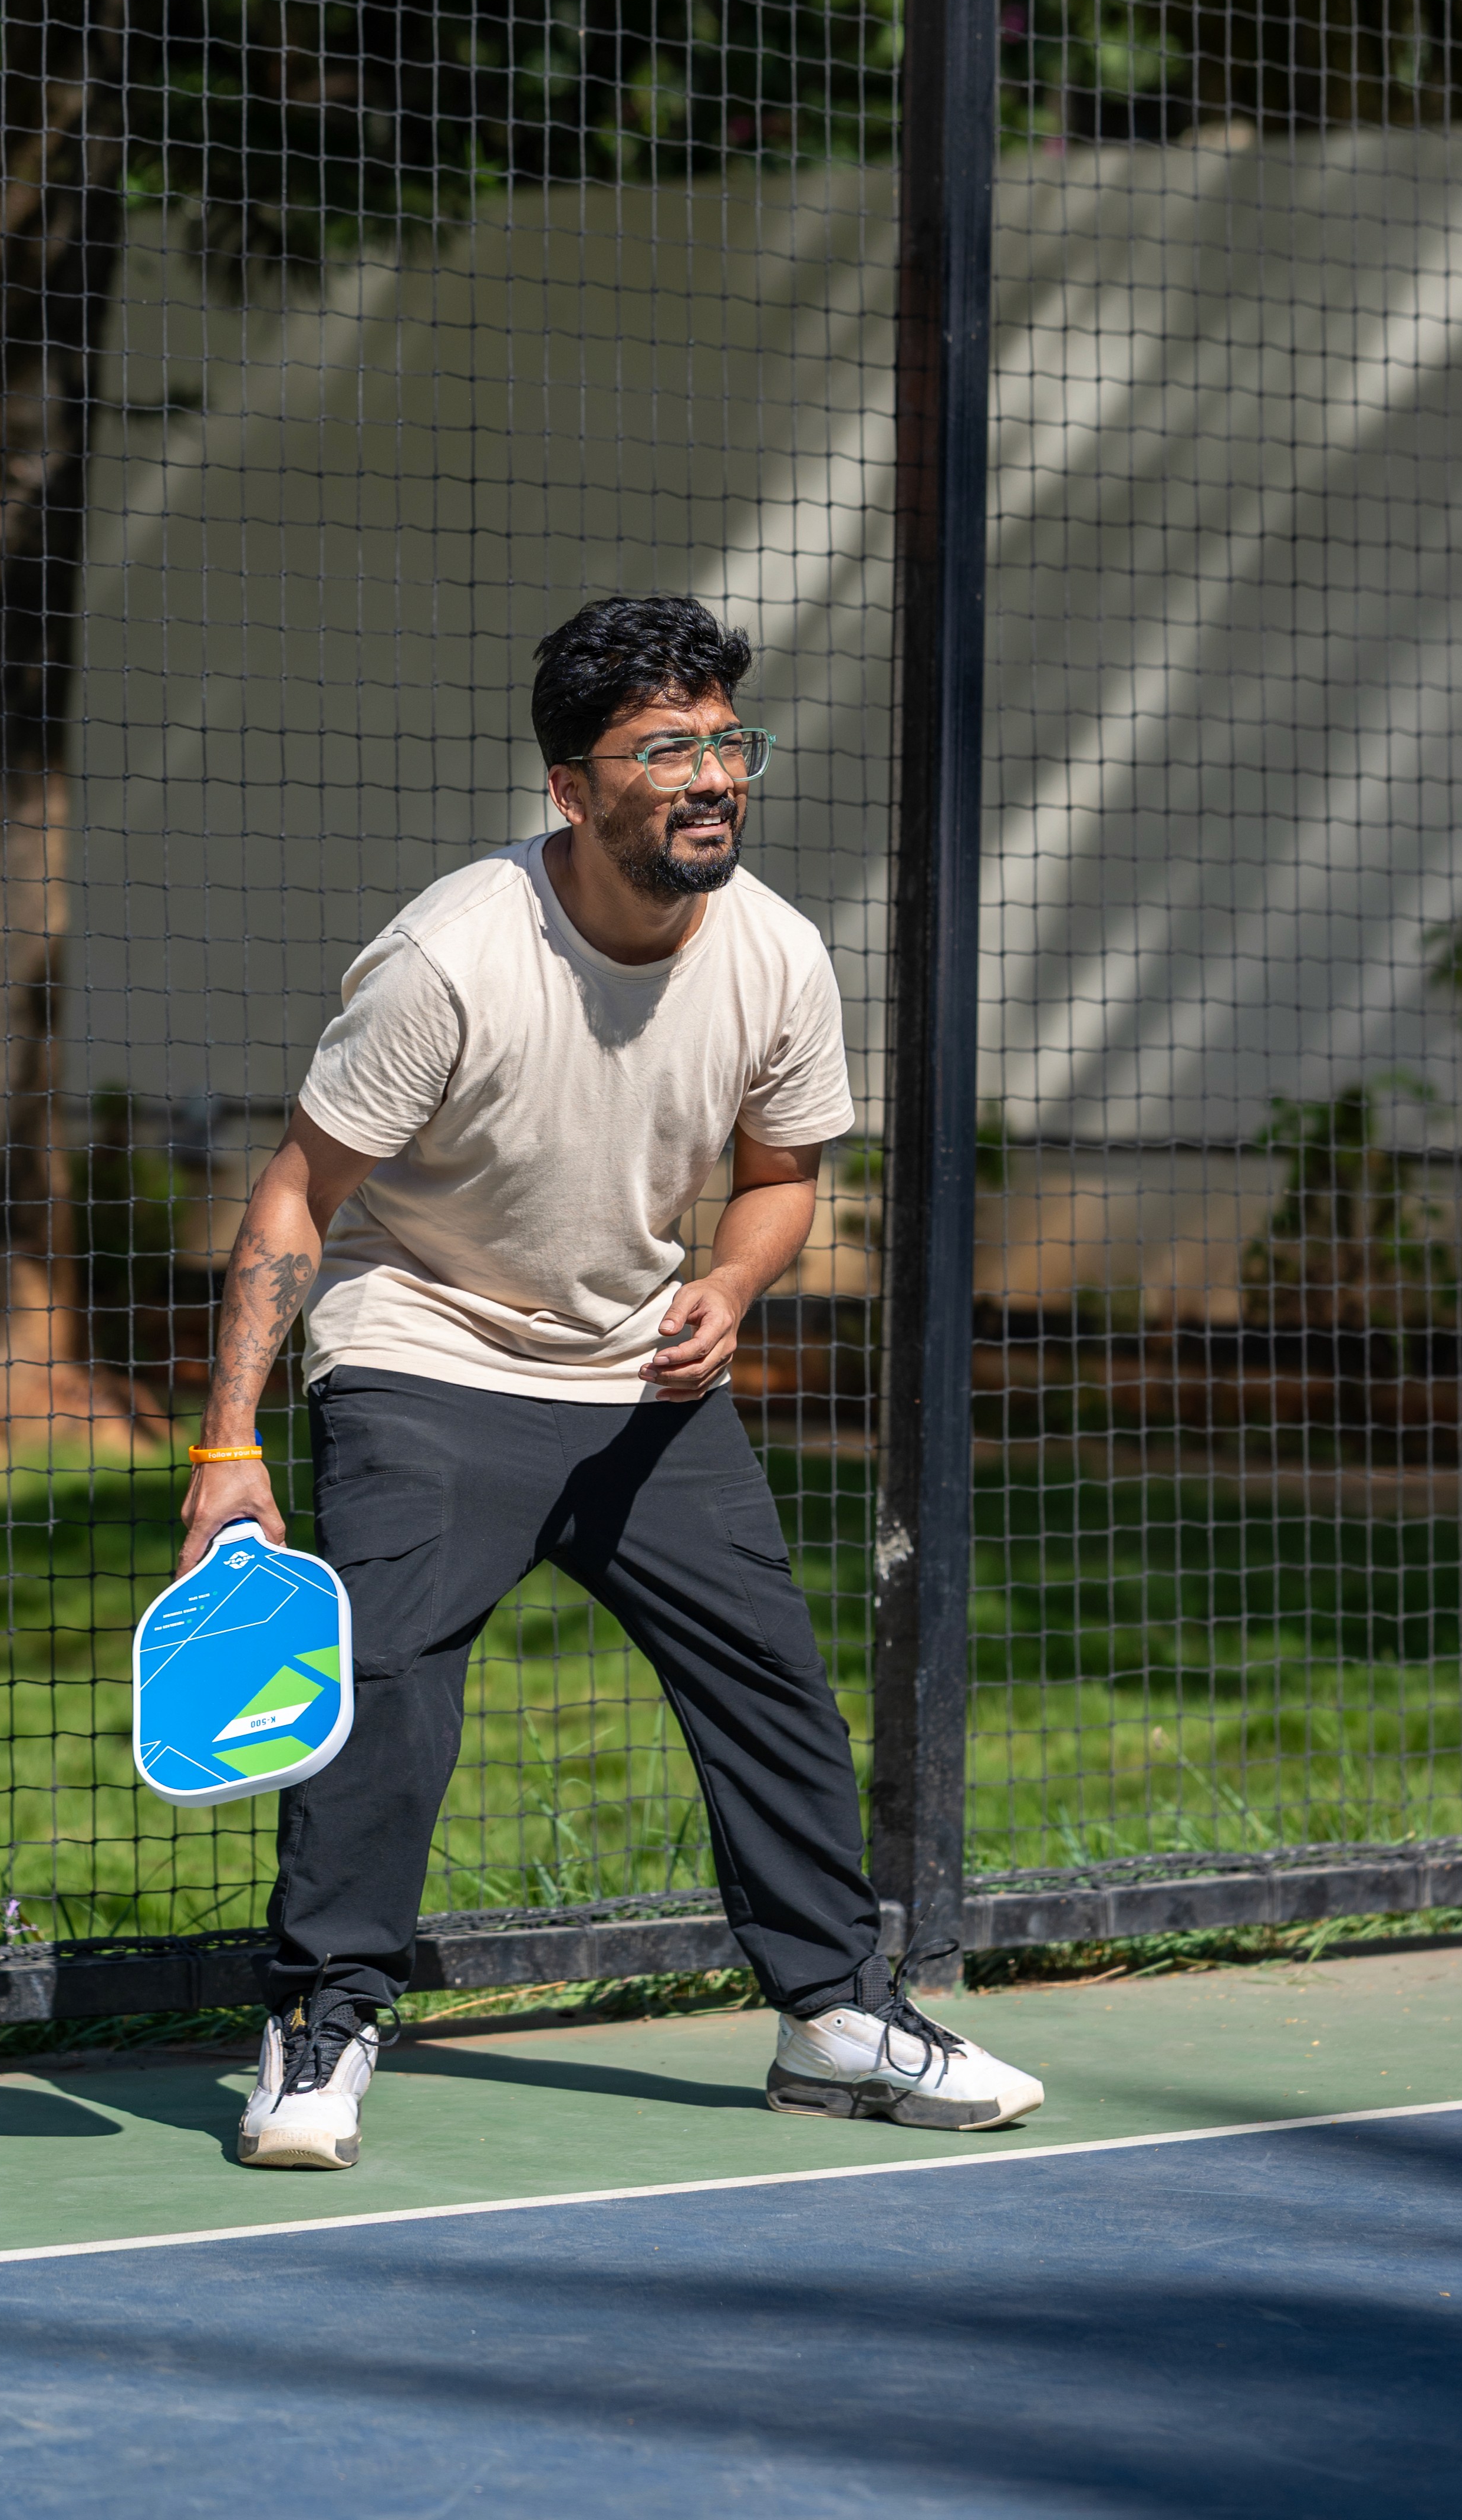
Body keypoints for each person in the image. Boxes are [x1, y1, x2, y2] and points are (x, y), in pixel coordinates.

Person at [178, 594, 1042, 2170]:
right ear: (574, 789)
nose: (714, 776)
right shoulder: (449, 959)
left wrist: (728, 1281)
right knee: (386, 1688)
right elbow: (297, 1190)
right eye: (669, 750)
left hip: (640, 1370)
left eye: (729, 741)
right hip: (425, 1344)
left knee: (769, 1683)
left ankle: (837, 2021)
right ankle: (323, 2025)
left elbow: (782, 1176)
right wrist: (229, 1439)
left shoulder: (777, 954)